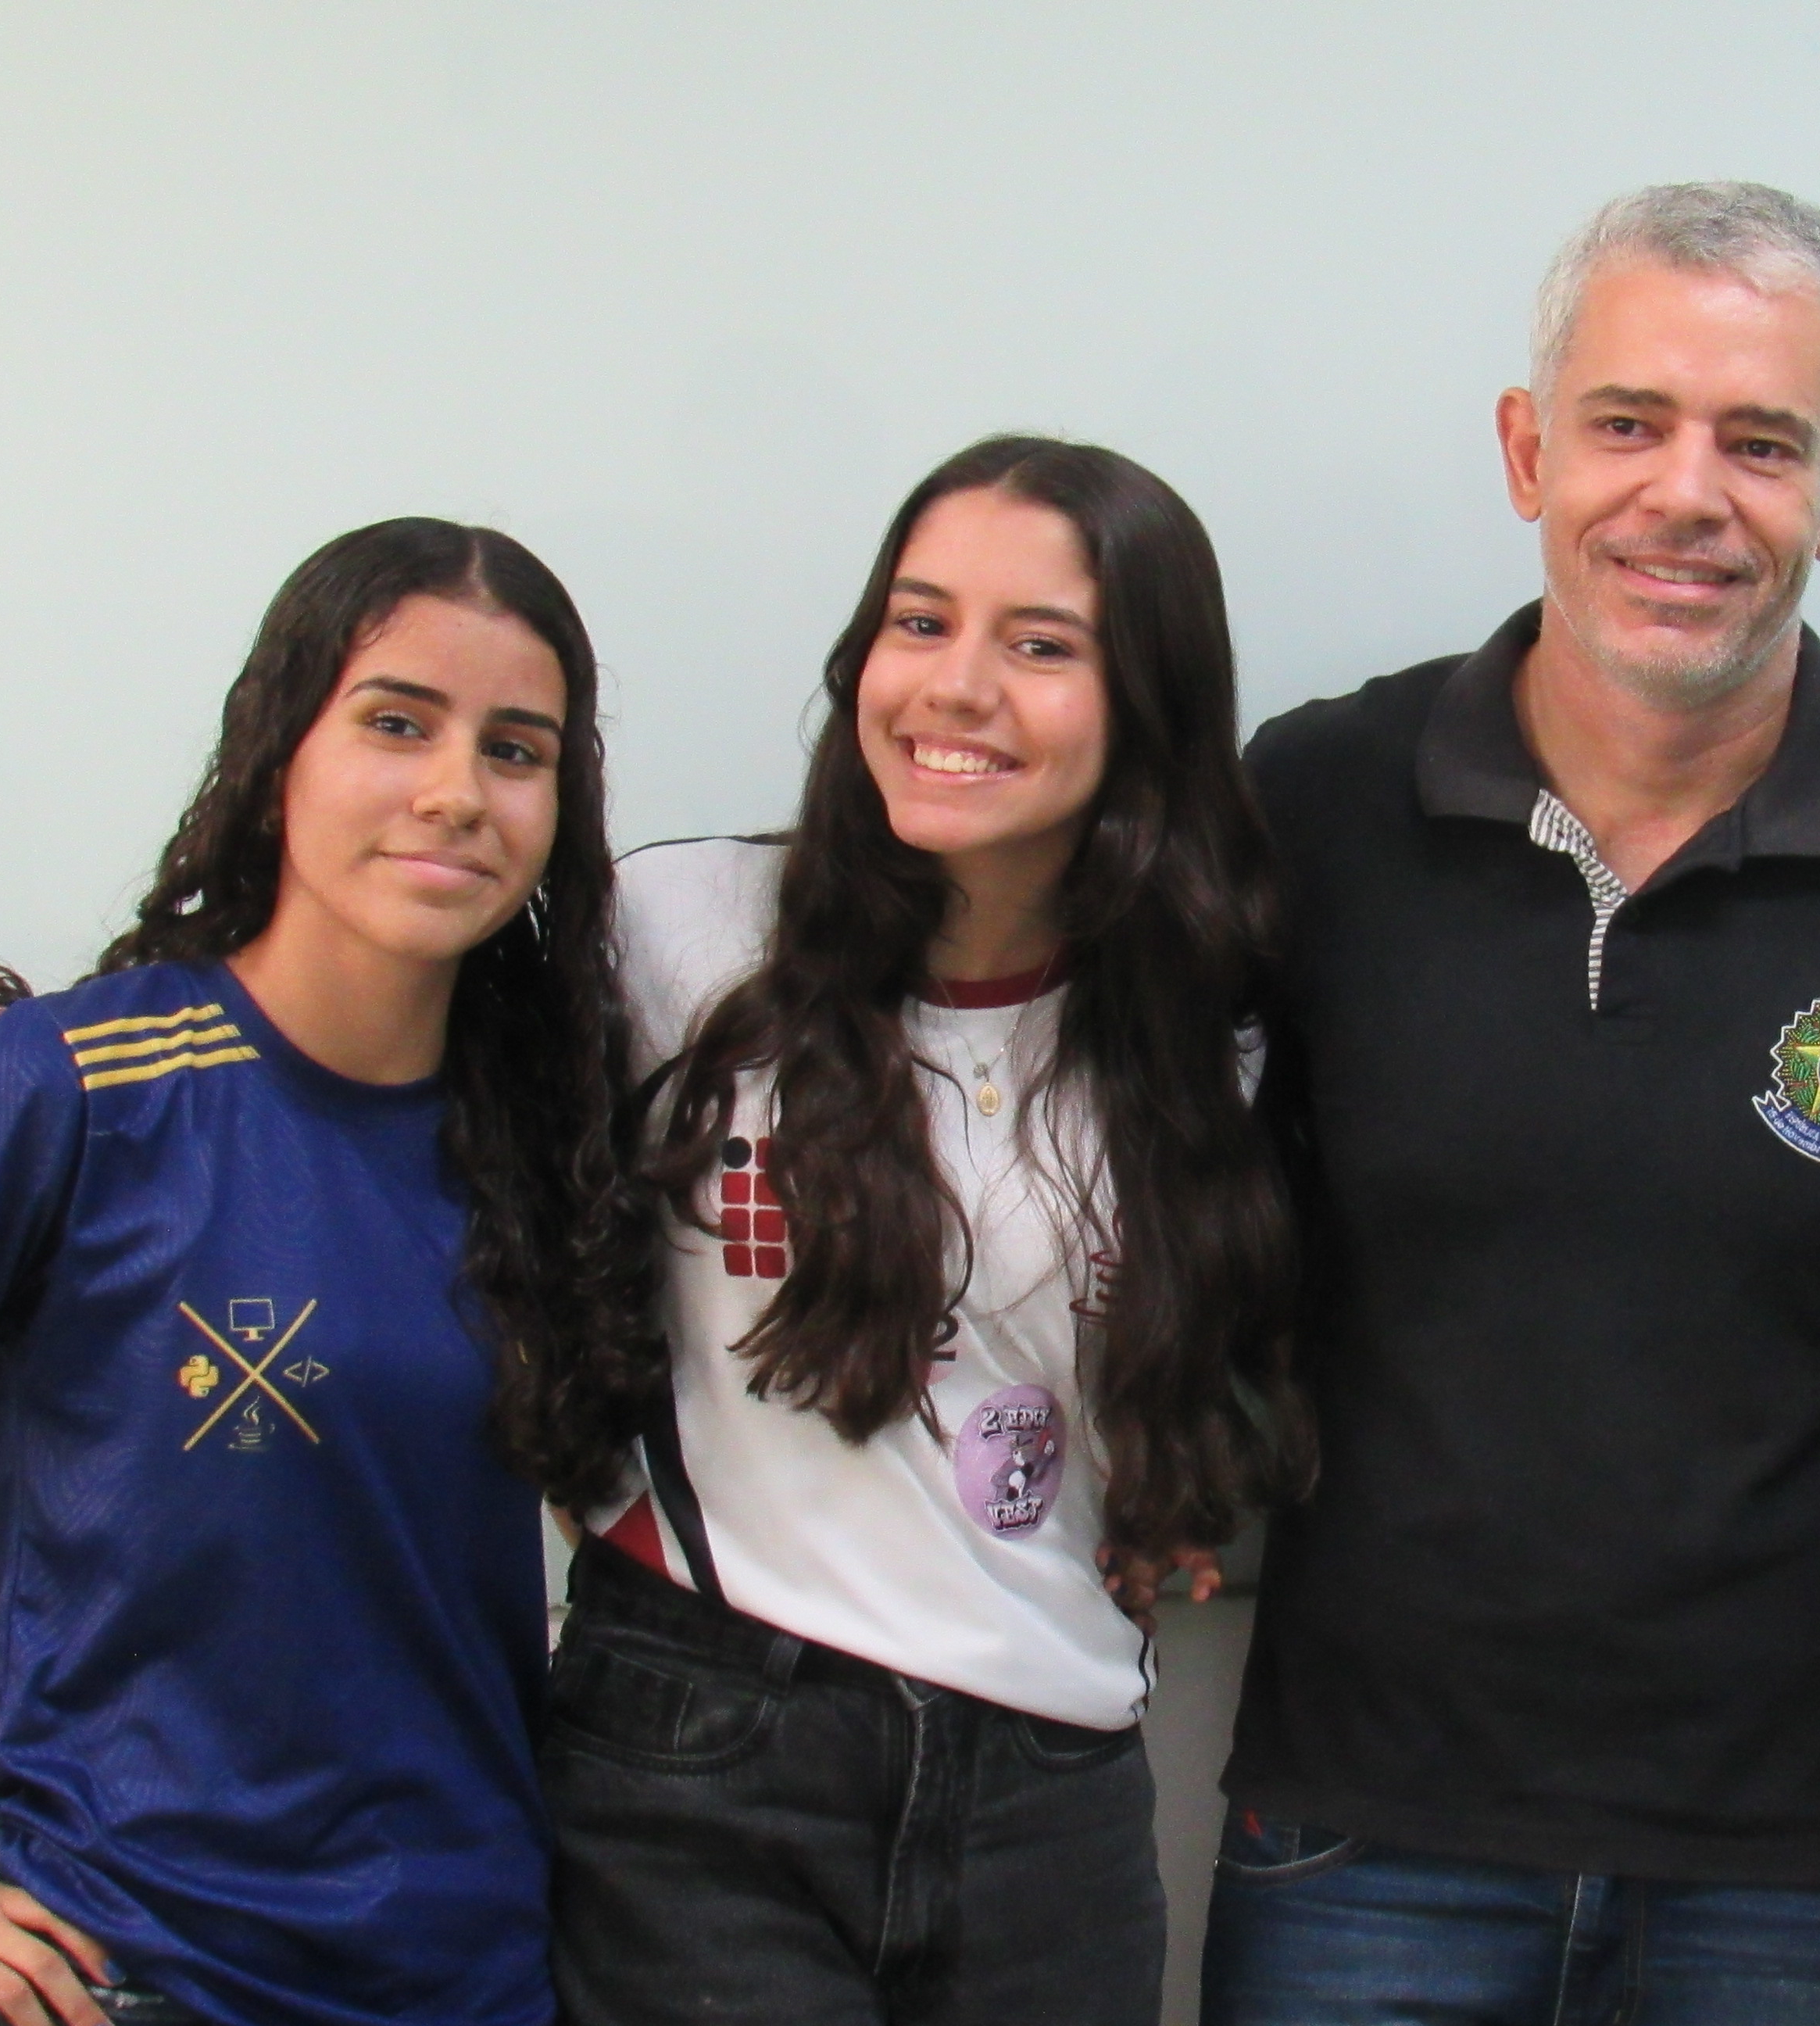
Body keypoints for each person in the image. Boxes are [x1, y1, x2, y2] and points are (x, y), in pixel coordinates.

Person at [1202, 184, 1820, 2023]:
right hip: (1368, 1841)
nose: (1689, 493)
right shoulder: (1321, 798)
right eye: (1628, 424)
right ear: (1529, 452)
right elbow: (1171, 1202)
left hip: (1808, 1869)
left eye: (1763, 443)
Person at [0, 520, 646, 2026]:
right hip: (136, 1981)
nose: (456, 790)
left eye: (516, 751)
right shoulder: (69, 1091)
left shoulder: (553, 1143)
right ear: (278, 752)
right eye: (395, 723)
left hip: (475, 1976)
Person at [538, 433, 1309, 2024]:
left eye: (1042, 645)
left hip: (1052, 1791)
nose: (957, 687)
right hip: (703, 1750)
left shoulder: (1204, 1040)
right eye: (919, 621)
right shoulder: (672, 936)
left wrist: (1180, 1464)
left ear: (1150, 705)